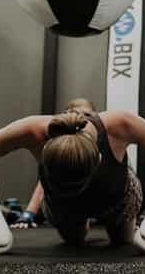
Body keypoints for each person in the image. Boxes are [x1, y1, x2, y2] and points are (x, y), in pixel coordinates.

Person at [0, 106, 145, 255]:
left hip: (117, 193)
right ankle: (74, 216)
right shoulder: (32, 130)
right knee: (73, 244)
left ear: (99, 159)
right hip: (62, 202)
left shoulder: (119, 124)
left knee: (124, 243)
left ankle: (114, 222)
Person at [11, 98, 96, 230]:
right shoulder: (59, 142)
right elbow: (45, 179)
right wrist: (29, 213)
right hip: (65, 202)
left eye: (86, 115)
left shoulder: (103, 136)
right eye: (76, 114)